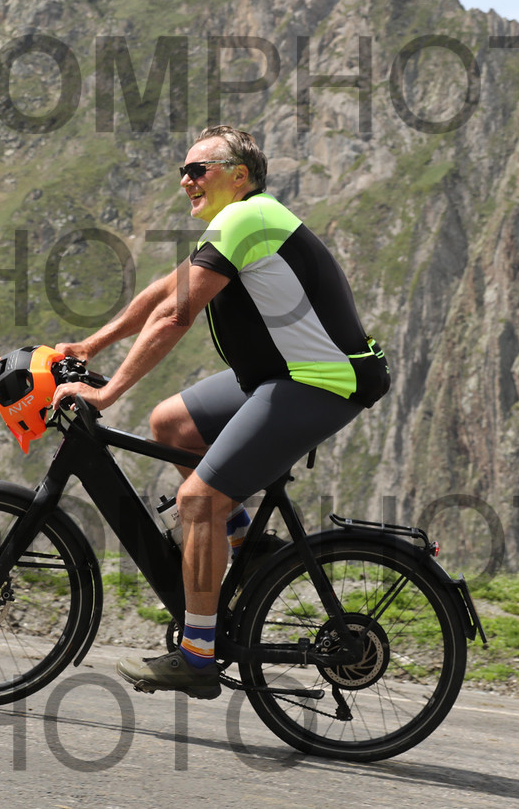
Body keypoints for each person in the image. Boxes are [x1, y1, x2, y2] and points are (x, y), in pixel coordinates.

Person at [51, 124, 390, 698]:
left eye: (197, 170)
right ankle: (247, 550)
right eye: (181, 171)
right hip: (280, 375)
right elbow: (164, 292)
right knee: (171, 424)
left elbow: (176, 317)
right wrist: (90, 345)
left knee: (197, 501)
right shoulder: (236, 223)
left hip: (323, 382)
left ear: (239, 175)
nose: (186, 181)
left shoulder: (248, 219)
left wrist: (105, 396)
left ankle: (198, 657)